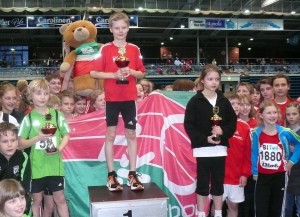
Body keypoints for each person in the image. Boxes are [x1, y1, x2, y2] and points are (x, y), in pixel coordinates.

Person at [90, 12, 145, 191]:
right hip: (112, 99)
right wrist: (113, 75)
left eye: (123, 28)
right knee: (111, 135)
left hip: (129, 99)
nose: (120, 31)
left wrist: (131, 72)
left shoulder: (134, 49)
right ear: (111, 29)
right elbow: (93, 73)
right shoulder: (105, 49)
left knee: (131, 135)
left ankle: (133, 173)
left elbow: (141, 73)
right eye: (117, 28)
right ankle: (111, 175)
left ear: (128, 29)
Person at [184, 64, 237, 217]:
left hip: (220, 149)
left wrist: (223, 131)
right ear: (202, 80)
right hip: (202, 149)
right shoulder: (195, 101)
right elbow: (189, 125)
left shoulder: (223, 101)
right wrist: (204, 139)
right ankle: (201, 213)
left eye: (217, 79)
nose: (214, 82)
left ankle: (218, 213)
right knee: (202, 184)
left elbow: (232, 122)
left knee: (218, 184)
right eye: (210, 79)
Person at [18, 78, 70, 217]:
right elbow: (20, 143)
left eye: (45, 93)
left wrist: (59, 148)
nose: (42, 97)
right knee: (37, 200)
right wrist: (37, 138)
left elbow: (66, 135)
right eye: (38, 93)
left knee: (60, 199)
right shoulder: (28, 119)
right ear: (30, 96)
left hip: (55, 166)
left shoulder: (57, 114)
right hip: (37, 168)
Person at [251, 100, 300, 217]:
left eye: (274, 112)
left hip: (280, 176)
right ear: (261, 115)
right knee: (261, 209)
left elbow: (299, 144)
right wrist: (255, 172)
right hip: (262, 177)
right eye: (269, 113)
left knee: (277, 209)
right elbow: (254, 153)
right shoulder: (256, 133)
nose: (272, 116)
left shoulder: (285, 132)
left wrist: (291, 162)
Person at [223, 93, 251, 217]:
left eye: (238, 104)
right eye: (232, 103)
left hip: (236, 175)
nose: (235, 106)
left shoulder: (245, 127)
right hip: (218, 175)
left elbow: (247, 153)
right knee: (215, 206)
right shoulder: (217, 124)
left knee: (233, 206)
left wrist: (245, 174)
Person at [284, 102, 300, 217]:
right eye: (288, 114)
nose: (291, 117)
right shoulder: (283, 132)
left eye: (294, 114)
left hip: (298, 172)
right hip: (287, 174)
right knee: (286, 207)